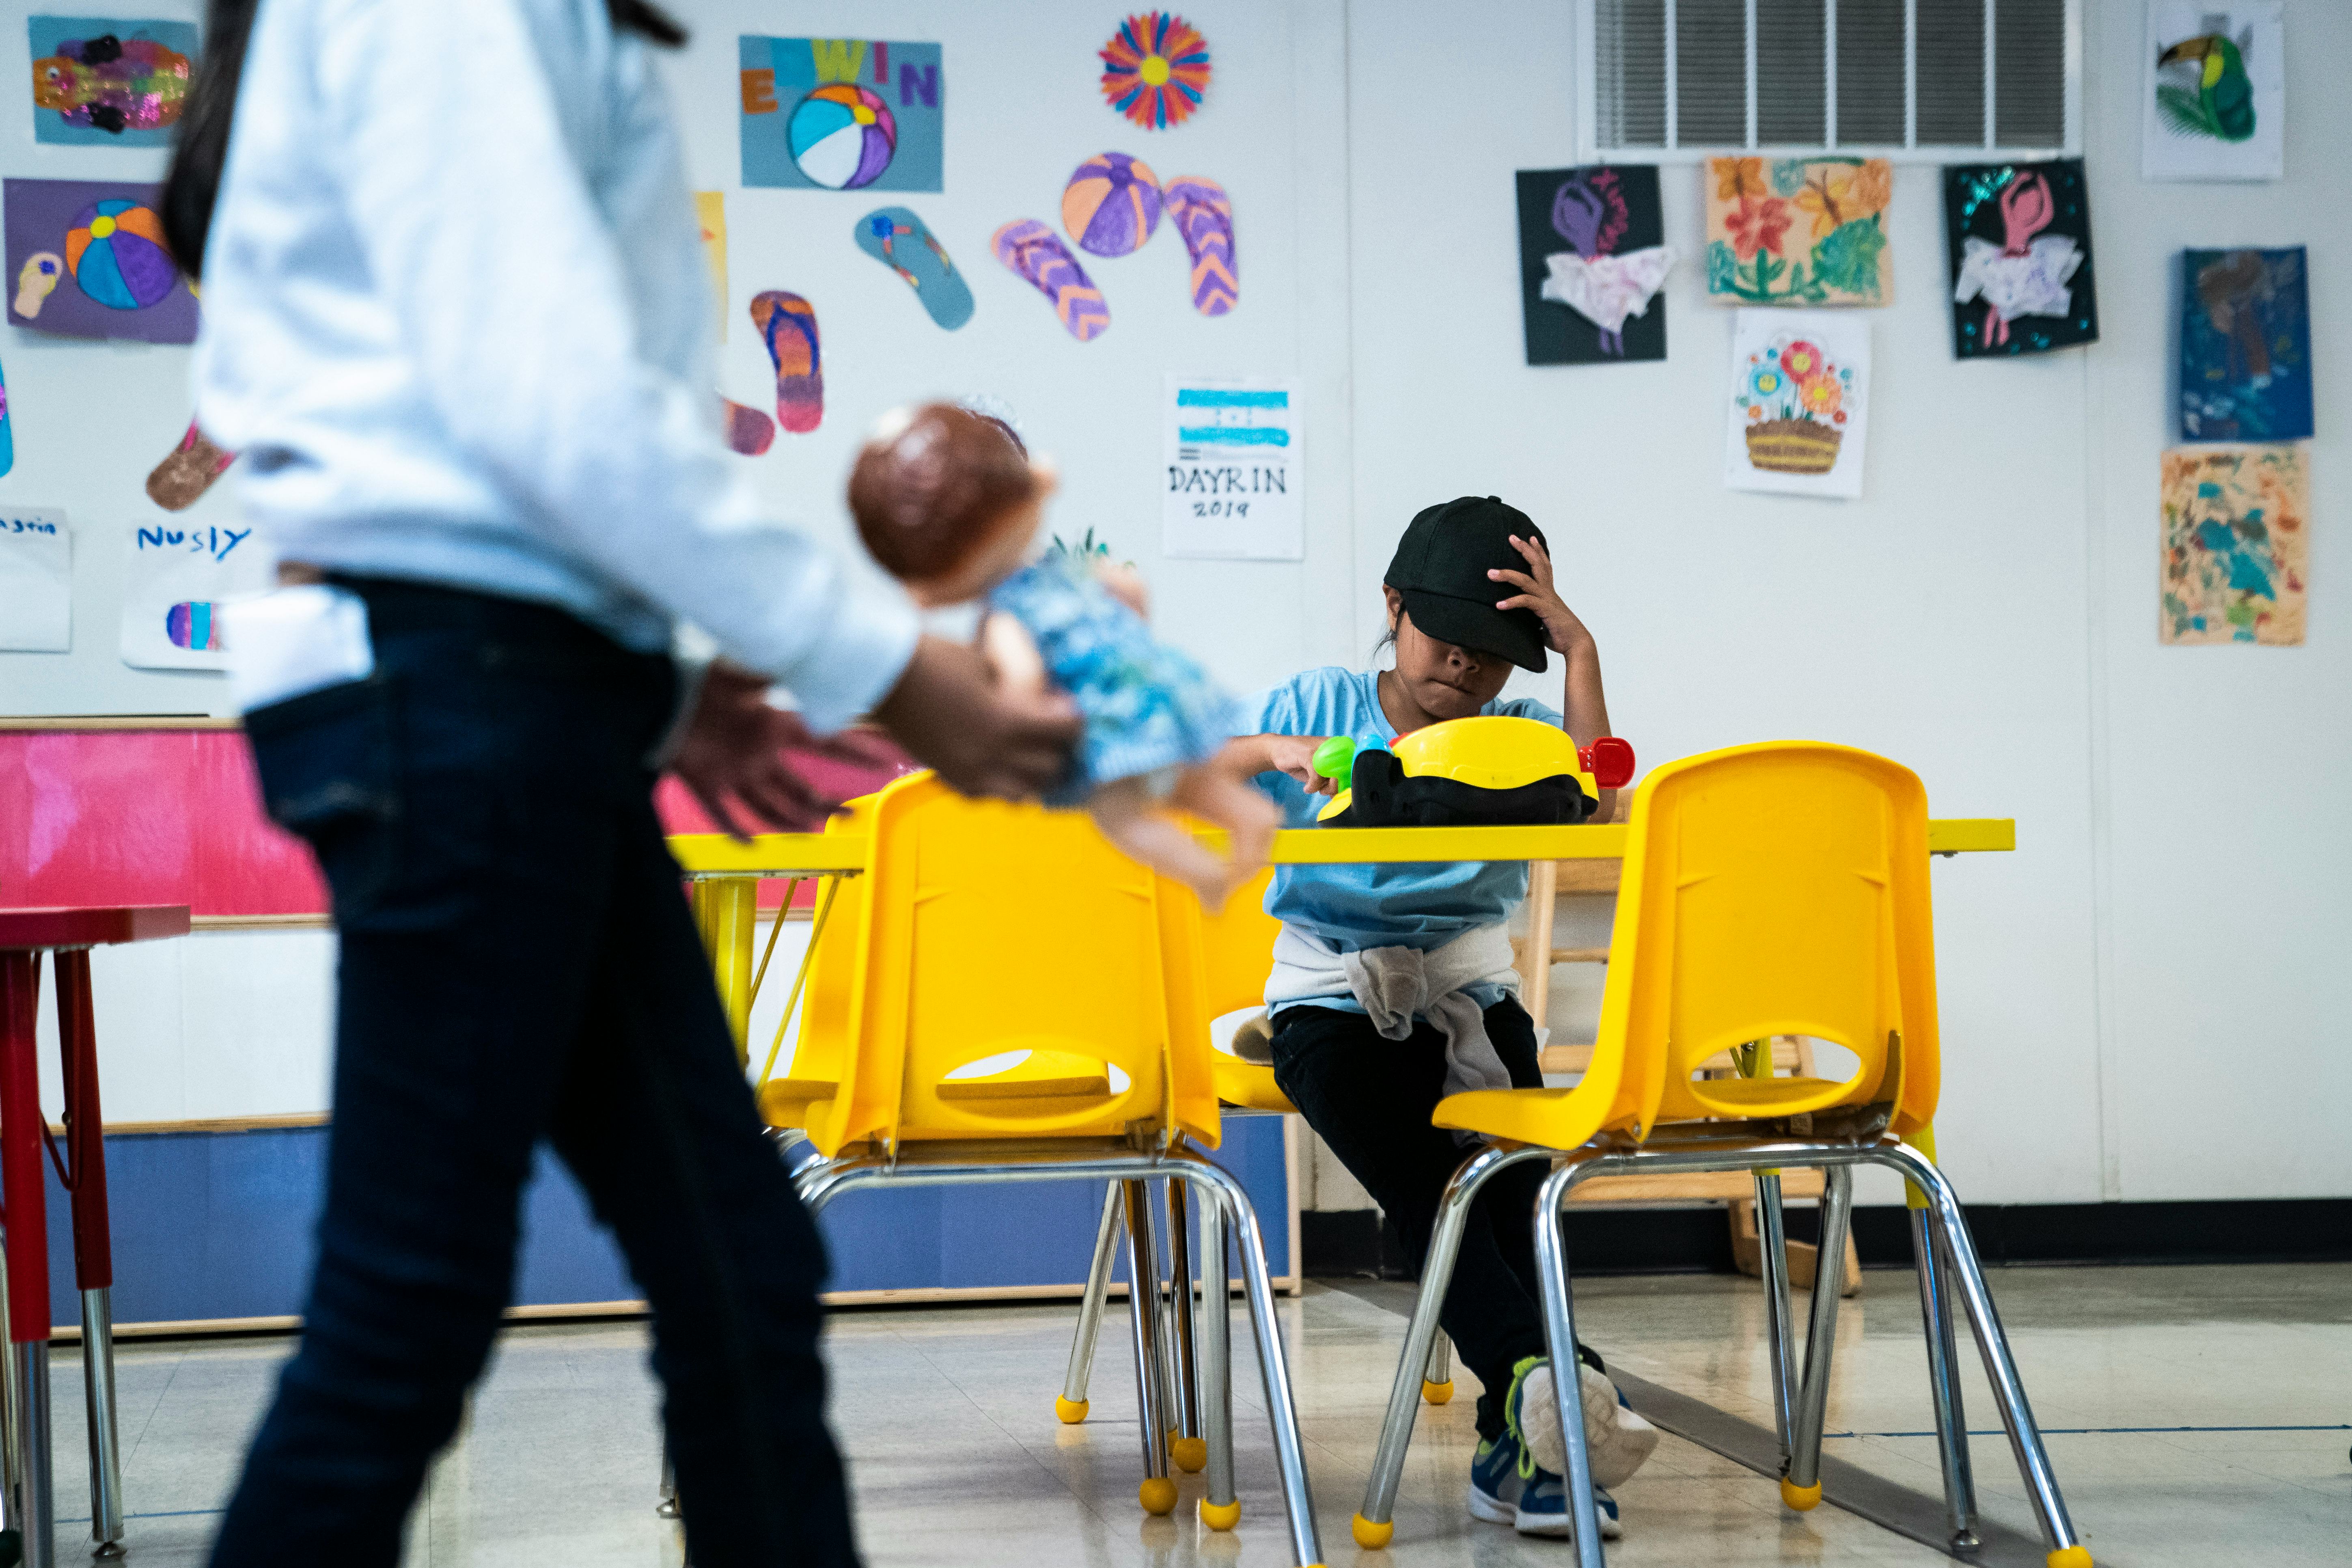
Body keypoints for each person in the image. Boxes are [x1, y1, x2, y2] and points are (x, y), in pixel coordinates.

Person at [163, 2, 1078, 1565]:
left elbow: (500, 427)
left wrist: (651, 687)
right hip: (461, 698)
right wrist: (890, 664)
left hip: (512, 693)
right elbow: (552, 408)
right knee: (407, 1318)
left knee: (737, 1267)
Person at [1220, 496, 1659, 1540]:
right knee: (1427, 1190)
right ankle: (1548, 1388)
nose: (1462, 667)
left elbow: (1601, 799)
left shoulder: (1519, 738)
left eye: (1493, 654)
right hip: (1329, 1000)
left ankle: (1523, 1437)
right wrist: (1266, 749)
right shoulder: (1321, 701)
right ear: (1390, 606)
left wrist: (1582, 651)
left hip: (1471, 997)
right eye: (1442, 638)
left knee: (1508, 1201)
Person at [847, 403, 1277, 909]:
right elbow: (1131, 589)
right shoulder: (1067, 566)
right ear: (1037, 489)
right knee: (1182, 779)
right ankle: (1251, 819)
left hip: (1110, 722)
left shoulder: (1005, 614)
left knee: (1121, 817)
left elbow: (1024, 678)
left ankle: (1203, 875)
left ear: (923, 589)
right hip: (1157, 681)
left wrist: (1015, 698)